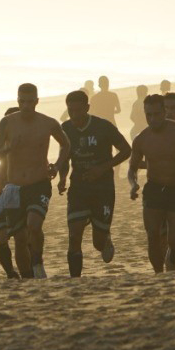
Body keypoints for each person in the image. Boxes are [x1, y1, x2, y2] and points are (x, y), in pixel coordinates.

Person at [0, 84, 70, 279]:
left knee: (34, 225)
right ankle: (27, 278)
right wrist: (6, 151)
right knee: (20, 238)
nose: (26, 105)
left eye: (30, 101)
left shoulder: (48, 123)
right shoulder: (6, 123)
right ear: (18, 100)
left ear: (37, 101)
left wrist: (56, 166)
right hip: (13, 189)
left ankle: (38, 262)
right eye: (22, 101)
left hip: (38, 182)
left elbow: (66, 144)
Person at [59, 91, 131, 277]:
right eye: (70, 111)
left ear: (87, 108)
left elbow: (126, 150)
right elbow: (65, 157)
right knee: (74, 236)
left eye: (78, 110)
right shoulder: (65, 128)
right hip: (79, 189)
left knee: (97, 243)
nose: (74, 115)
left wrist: (103, 168)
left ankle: (105, 238)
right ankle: (75, 280)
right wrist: (61, 177)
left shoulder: (103, 126)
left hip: (103, 189)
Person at [129, 94, 175, 273]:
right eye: (148, 115)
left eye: (157, 114)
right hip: (154, 190)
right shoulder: (141, 139)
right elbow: (132, 168)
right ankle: (158, 273)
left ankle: (172, 260)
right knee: (153, 236)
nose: (153, 119)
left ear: (164, 112)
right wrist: (133, 184)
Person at [0, 107, 33, 279]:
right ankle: (10, 272)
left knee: (23, 237)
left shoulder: (31, 136)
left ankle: (29, 272)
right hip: (4, 193)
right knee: (0, 238)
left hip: (26, 192)